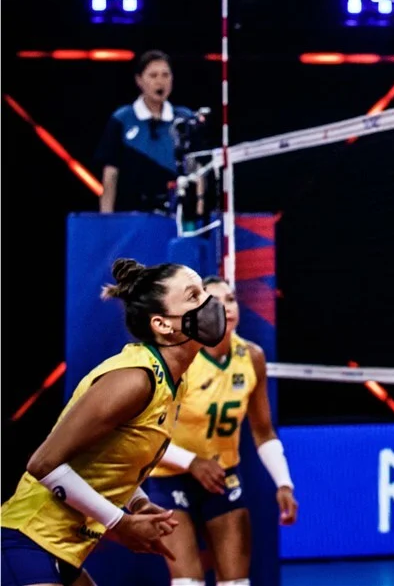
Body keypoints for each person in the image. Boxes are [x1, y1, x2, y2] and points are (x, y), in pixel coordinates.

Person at [1, 259, 226, 586]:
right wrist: (120, 523)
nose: (209, 301)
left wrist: (138, 503)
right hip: (25, 539)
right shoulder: (135, 379)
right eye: (193, 296)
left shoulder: (175, 380)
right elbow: (43, 464)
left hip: (66, 551)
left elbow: (109, 459)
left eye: (203, 291)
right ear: (163, 324)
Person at [146, 277, 298, 586]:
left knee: (236, 582)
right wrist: (192, 462)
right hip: (169, 476)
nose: (227, 308)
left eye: (230, 299)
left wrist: (284, 483)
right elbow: (145, 434)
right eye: (215, 303)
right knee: (187, 582)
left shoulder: (252, 357)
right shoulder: (177, 358)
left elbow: (263, 431)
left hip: (222, 476)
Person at [96, 50, 195, 214]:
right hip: (130, 215)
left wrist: (197, 214)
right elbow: (110, 174)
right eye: (153, 75)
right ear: (139, 80)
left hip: (175, 215)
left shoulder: (185, 119)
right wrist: (107, 220)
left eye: (165, 75)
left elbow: (197, 170)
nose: (160, 81)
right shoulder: (122, 119)